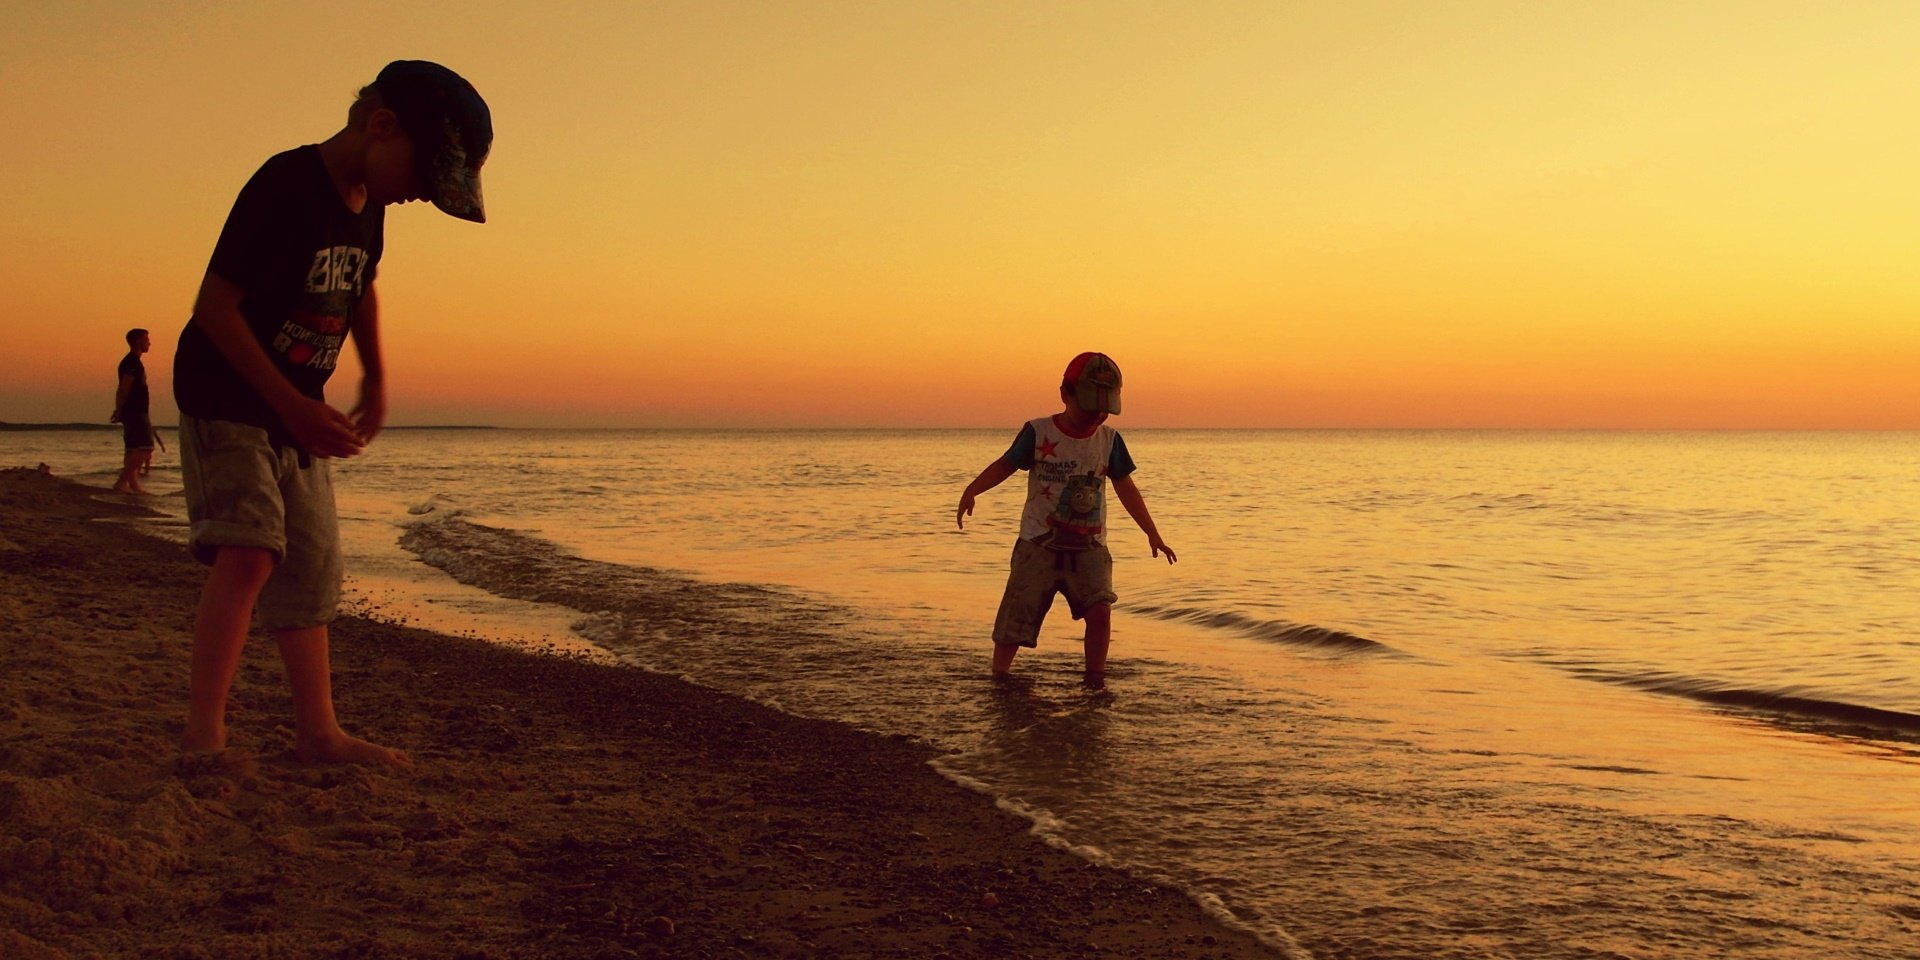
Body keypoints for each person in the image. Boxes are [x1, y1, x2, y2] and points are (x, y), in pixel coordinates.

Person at [171, 60, 491, 766]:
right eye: (423, 176)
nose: (421, 195)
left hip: (298, 403)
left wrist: (375, 374)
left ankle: (319, 732)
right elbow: (214, 308)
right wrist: (290, 405)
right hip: (225, 391)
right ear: (382, 126)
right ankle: (203, 735)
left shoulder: (368, 203)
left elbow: (361, 287)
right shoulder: (285, 183)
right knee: (250, 552)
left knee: (312, 568)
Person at [956, 352, 1176, 688]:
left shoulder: (1109, 440)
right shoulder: (1038, 432)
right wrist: (973, 489)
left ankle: (1095, 680)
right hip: (1037, 546)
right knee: (1017, 614)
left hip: (1090, 548)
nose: (1097, 416)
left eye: (1104, 409)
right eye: (1089, 407)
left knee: (1100, 611)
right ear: (1065, 394)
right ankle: (999, 677)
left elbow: (1126, 487)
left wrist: (1152, 533)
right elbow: (1005, 465)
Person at [110, 328, 155, 494]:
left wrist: (120, 410)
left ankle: (133, 486)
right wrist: (119, 410)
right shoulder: (131, 362)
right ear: (138, 341)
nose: (149, 343)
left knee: (133, 449)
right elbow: (123, 388)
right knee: (145, 448)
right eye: (146, 339)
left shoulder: (133, 362)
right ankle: (122, 482)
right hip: (135, 411)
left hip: (134, 410)